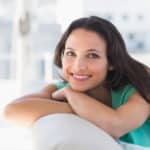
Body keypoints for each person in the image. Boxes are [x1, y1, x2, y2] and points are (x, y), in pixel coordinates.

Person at [3, 16, 150, 150]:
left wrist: (72, 96)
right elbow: (11, 111)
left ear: (111, 61)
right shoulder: (61, 89)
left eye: (92, 55)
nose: (78, 66)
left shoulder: (137, 87)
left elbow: (117, 125)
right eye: (70, 53)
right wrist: (78, 108)